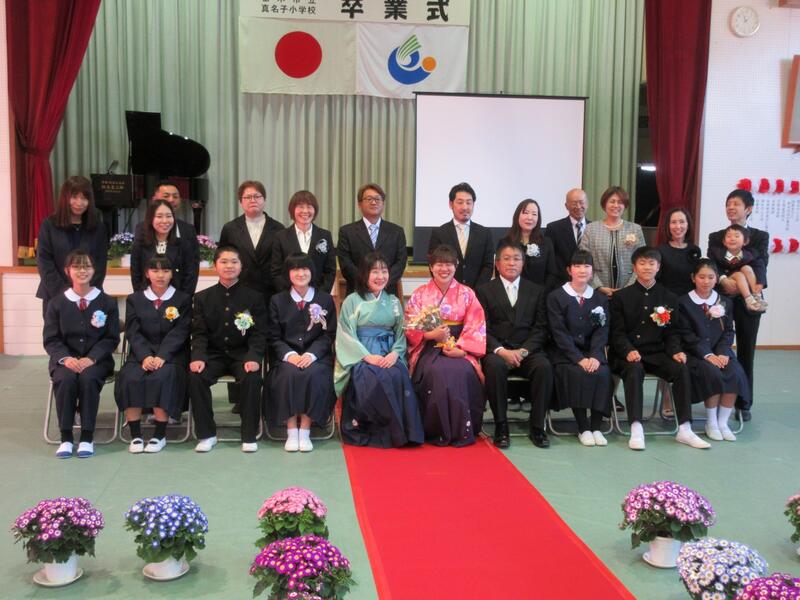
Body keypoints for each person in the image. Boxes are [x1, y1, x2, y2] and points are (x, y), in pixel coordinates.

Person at [609, 246, 710, 450]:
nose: (647, 267)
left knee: (681, 369)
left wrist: (676, 351)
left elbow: (673, 331)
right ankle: (636, 426)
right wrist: (627, 350)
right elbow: (616, 332)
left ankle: (685, 428)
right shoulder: (621, 297)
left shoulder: (669, 297)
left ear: (658, 267)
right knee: (634, 370)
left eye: (651, 263)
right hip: (626, 354)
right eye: (642, 263)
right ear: (634, 267)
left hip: (657, 352)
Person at [334, 253, 423, 448]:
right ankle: (376, 431)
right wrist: (367, 356)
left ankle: (401, 432)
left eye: (384, 271)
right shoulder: (352, 301)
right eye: (375, 272)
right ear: (364, 274)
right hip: (361, 354)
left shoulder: (394, 302)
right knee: (372, 376)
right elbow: (346, 335)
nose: (380, 276)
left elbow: (401, 332)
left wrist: (395, 353)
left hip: (389, 351)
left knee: (398, 373)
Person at [405, 244, 486, 446]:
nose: (444, 269)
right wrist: (430, 334)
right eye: (439, 264)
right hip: (429, 347)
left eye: (449, 264)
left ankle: (462, 428)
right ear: (431, 267)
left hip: (459, 345)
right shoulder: (420, 294)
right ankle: (436, 429)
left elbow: (476, 324)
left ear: (456, 266)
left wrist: (462, 350)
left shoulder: (467, 293)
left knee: (462, 372)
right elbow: (410, 325)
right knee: (437, 373)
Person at [188, 246, 267, 453]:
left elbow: (259, 334)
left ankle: (249, 435)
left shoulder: (254, 297)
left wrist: (253, 357)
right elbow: (199, 333)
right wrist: (198, 357)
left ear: (241, 266)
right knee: (196, 377)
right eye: (224, 262)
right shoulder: (202, 297)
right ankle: (206, 434)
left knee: (252, 377)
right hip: (213, 355)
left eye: (234, 261)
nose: (229, 266)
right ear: (215, 266)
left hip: (242, 355)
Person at [476, 240, 553, 449]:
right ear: (497, 263)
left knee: (544, 367)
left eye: (517, 259)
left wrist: (523, 350)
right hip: (498, 351)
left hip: (528, 350)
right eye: (507, 259)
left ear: (523, 263)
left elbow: (541, 328)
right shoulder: (483, 291)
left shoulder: (537, 290)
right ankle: (501, 426)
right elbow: (481, 328)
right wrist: (502, 351)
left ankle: (537, 426)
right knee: (494, 367)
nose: (512, 263)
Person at [43, 250, 120, 459]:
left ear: (94, 270)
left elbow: (111, 338)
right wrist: (66, 359)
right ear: (67, 271)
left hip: (97, 361)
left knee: (88, 379)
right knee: (65, 379)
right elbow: (51, 339)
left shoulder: (107, 302)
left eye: (87, 266)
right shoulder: (56, 303)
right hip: (64, 361)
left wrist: (91, 358)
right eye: (76, 266)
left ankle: (87, 436)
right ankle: (66, 437)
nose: (82, 271)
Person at [115, 256, 191, 454]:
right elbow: (133, 331)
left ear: (172, 274)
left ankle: (159, 435)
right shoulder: (135, 299)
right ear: (147, 274)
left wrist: (162, 356)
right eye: (155, 271)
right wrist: (145, 356)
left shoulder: (182, 299)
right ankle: (135, 435)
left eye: (165, 271)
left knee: (161, 377)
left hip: (172, 356)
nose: (160, 275)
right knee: (130, 378)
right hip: (141, 356)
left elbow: (180, 331)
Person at [707, 188, 769, 421]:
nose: (731, 208)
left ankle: (744, 403)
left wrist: (743, 278)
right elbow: (712, 263)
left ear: (748, 209)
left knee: (746, 351)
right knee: (717, 348)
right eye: (728, 204)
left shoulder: (760, 236)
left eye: (736, 204)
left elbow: (760, 262)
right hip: (722, 298)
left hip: (749, 301)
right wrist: (724, 279)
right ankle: (716, 399)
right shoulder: (716, 236)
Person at [267, 253, 337, 452]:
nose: (301, 273)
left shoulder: (324, 299)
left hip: (317, 358)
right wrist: (290, 355)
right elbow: (273, 336)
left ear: (311, 271)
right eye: (295, 269)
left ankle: (305, 430)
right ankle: (291, 431)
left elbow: (328, 334)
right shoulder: (277, 300)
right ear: (287, 273)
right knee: (288, 374)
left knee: (314, 374)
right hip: (287, 357)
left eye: (305, 268)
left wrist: (311, 355)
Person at [678, 259, 750, 442]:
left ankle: (723, 423)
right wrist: (708, 354)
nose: (706, 281)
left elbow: (729, 331)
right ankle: (711, 422)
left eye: (710, 277)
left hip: (721, 353)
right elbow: (686, 335)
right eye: (701, 277)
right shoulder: (683, 302)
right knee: (713, 373)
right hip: (696, 354)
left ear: (717, 278)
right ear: (693, 278)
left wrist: (723, 352)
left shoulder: (724, 302)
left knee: (735, 372)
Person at [547, 250, 613, 447]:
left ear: (593, 271)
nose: (582, 270)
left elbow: (602, 331)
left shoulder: (600, 299)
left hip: (592, 353)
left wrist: (595, 356)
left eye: (586, 266)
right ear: (569, 270)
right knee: (578, 373)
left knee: (603, 373)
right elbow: (558, 332)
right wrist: (578, 358)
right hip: (565, 354)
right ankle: (583, 427)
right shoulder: (556, 297)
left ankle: (596, 427)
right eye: (577, 266)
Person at [36, 176, 108, 317]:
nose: (79, 203)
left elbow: (100, 264)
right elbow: (44, 263)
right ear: (65, 198)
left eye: (84, 198)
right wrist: (66, 294)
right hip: (55, 296)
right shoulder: (49, 225)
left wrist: (85, 293)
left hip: (89, 297)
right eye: (74, 197)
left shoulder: (98, 228)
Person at [218, 180, 285, 302]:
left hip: (270, 292)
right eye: (248, 197)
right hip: (239, 289)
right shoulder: (230, 228)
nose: (253, 200)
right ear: (241, 201)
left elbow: (282, 263)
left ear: (264, 200)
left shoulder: (278, 228)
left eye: (257, 196)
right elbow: (221, 258)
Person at [338, 183, 407, 296]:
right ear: (359, 204)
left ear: (383, 203)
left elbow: (400, 262)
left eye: (377, 199)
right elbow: (345, 263)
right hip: (357, 292)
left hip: (387, 292)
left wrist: (382, 282)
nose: (374, 202)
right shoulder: (347, 232)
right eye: (369, 199)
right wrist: (366, 282)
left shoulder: (396, 232)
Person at [579, 186, 646, 296]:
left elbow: (642, 260)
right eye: (612, 201)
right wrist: (599, 286)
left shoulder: (635, 229)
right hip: (597, 291)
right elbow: (584, 261)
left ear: (625, 206)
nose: (616, 205)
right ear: (604, 204)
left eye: (620, 202)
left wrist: (629, 286)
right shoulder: (591, 229)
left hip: (629, 291)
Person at [427, 182, 494, 289]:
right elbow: (434, 264)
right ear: (451, 204)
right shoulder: (439, 233)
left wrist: (475, 292)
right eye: (460, 202)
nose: (465, 207)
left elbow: (488, 266)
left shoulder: (484, 233)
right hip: (448, 292)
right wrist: (449, 289)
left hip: (477, 293)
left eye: (469, 202)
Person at [271, 190, 336, 293]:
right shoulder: (280, 237)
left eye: (309, 207)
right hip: (288, 296)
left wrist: (320, 295)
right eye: (300, 207)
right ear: (292, 210)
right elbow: (276, 271)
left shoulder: (325, 235)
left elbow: (330, 270)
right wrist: (289, 295)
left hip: (318, 295)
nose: (305, 211)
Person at [130, 199, 199, 295]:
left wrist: (183, 300)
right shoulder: (140, 244)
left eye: (169, 216)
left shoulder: (183, 244)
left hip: (178, 299)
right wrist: (141, 299)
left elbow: (190, 275)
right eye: (159, 216)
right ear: (150, 218)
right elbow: (136, 275)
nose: (165, 221)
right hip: (146, 298)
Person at [133, 180, 199, 279]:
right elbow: (136, 267)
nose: (171, 200)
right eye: (166, 196)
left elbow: (192, 269)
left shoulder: (188, 230)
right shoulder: (141, 228)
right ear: (154, 200)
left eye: (175, 196)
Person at [502, 198, 559, 289]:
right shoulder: (505, 242)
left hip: (539, 294)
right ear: (517, 215)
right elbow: (500, 272)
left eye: (534, 214)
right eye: (526, 213)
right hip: (511, 293)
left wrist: (541, 293)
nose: (530, 217)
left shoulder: (546, 243)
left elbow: (552, 273)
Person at [708, 224, 766, 313]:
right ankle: (749, 300)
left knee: (747, 268)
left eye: (737, 236)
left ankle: (756, 296)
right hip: (727, 282)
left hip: (745, 283)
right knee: (739, 275)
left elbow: (759, 265)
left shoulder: (751, 254)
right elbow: (713, 266)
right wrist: (723, 278)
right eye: (729, 236)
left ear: (745, 241)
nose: (732, 239)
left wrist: (760, 283)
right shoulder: (717, 253)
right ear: (724, 242)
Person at [545, 188, 590, 285]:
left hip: (589, 284)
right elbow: (549, 261)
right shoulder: (553, 228)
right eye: (574, 203)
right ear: (566, 206)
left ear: (587, 204)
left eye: (581, 202)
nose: (578, 206)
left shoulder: (594, 227)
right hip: (561, 284)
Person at [656, 207, 702, 297]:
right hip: (668, 299)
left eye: (682, 222)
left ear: (688, 225)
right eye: (673, 222)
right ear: (668, 226)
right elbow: (657, 281)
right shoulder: (660, 250)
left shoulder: (695, 249)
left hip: (691, 299)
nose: (678, 226)